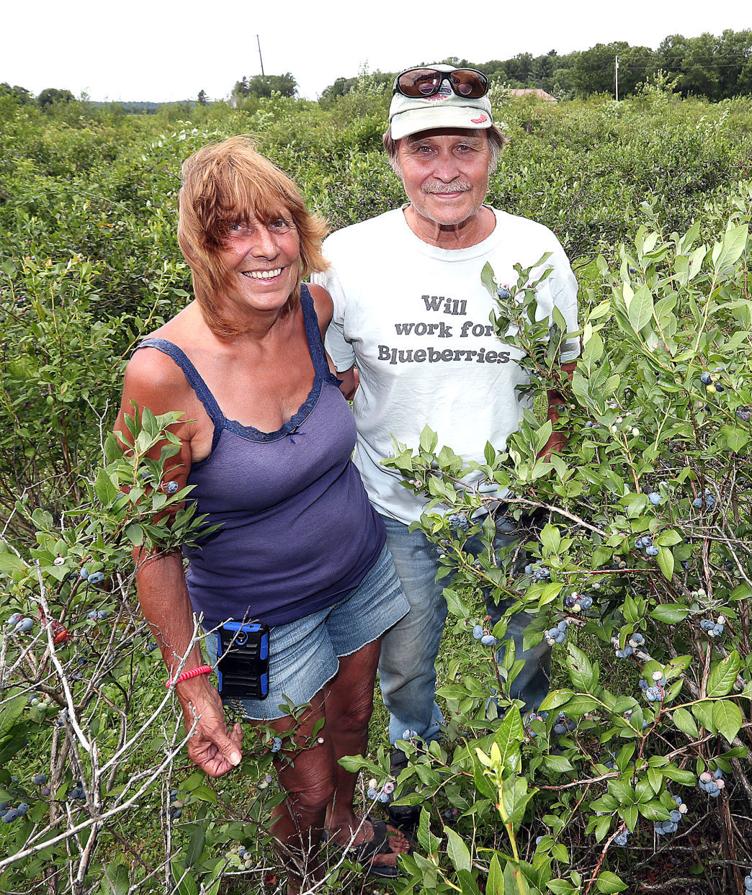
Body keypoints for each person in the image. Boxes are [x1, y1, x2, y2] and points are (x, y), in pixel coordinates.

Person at [117, 137, 409, 883]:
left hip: (360, 570)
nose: (266, 248)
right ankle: (290, 873)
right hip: (251, 623)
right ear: (201, 245)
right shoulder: (161, 374)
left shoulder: (309, 311)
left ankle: (349, 828)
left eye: (278, 224)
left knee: (351, 728)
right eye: (236, 229)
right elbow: (152, 545)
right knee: (303, 783)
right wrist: (194, 688)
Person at [314, 63, 579, 826]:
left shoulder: (537, 249)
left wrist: (544, 478)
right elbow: (334, 380)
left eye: (464, 148)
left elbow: (562, 372)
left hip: (511, 505)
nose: (446, 170)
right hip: (395, 510)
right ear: (394, 157)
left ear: (494, 149)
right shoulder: (348, 257)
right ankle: (417, 792)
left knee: (527, 658)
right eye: (424, 150)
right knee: (405, 671)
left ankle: (529, 786)